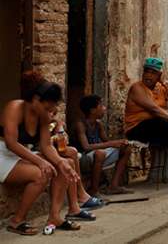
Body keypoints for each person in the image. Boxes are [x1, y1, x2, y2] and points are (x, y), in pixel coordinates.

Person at [0, 71, 93, 235]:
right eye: (47, 107)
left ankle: (55, 217)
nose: (50, 111)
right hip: (2, 154)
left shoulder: (42, 116)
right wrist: (40, 161)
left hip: (21, 154)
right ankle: (17, 220)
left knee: (65, 165)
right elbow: (11, 143)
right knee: (41, 174)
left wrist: (60, 162)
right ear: (36, 100)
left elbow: (46, 146)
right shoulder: (15, 107)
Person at [123, 57, 168, 194]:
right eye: (147, 71)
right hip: (136, 128)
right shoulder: (137, 88)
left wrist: (165, 83)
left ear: (159, 75)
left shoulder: (160, 87)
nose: (148, 75)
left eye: (153, 73)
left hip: (157, 127)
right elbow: (153, 109)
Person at [74, 94, 132, 196]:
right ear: (92, 110)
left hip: (98, 155)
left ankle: (114, 186)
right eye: (101, 106)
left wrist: (120, 143)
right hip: (84, 157)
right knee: (100, 153)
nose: (104, 108)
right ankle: (94, 190)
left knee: (126, 149)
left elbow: (106, 142)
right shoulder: (81, 124)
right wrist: (111, 143)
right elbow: (86, 147)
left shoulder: (98, 124)